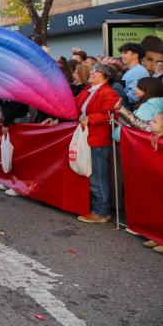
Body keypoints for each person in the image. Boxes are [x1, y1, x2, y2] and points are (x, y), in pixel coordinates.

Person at [47, 63, 120, 223]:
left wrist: (90, 118)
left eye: (95, 71)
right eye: (93, 70)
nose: (92, 73)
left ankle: (101, 212)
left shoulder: (109, 93)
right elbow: (72, 106)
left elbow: (111, 115)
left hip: (98, 140)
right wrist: (57, 117)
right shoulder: (87, 90)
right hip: (87, 137)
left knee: (97, 177)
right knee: (90, 175)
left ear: (104, 76)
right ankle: (97, 209)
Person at [119, 42, 148, 107]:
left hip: (132, 109)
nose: (122, 56)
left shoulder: (138, 72)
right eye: (122, 53)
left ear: (135, 55)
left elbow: (135, 96)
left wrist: (117, 99)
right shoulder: (133, 71)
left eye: (125, 53)